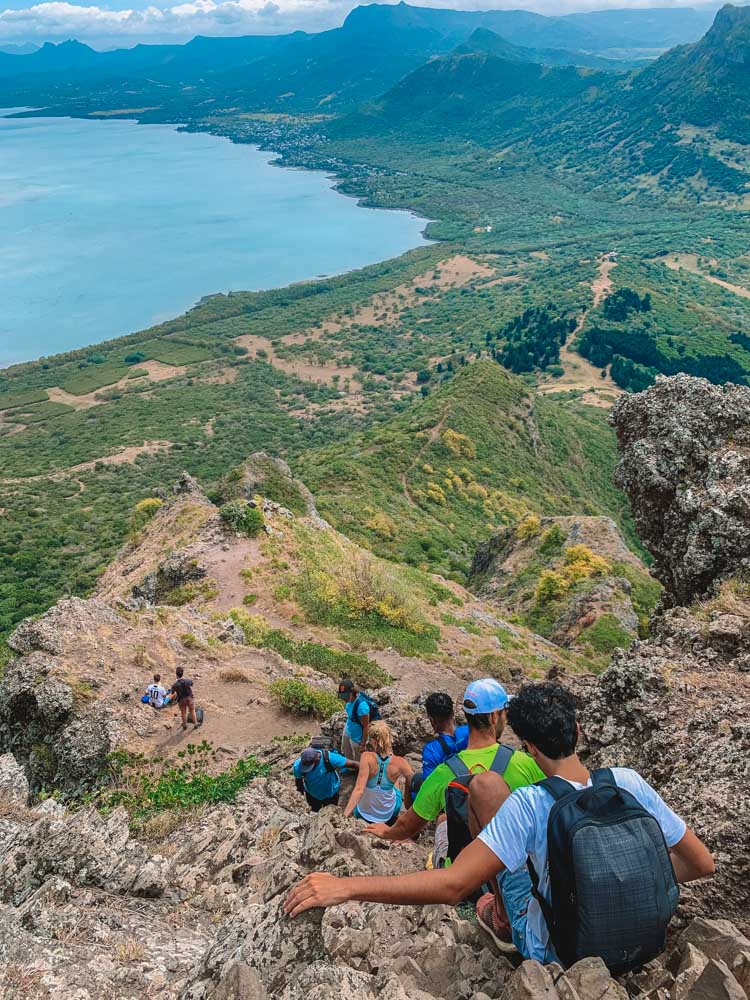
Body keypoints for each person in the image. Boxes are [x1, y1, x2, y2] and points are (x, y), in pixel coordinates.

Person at [284, 682, 715, 971]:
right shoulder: (629, 782)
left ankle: (505, 922)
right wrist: (619, 881)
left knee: (486, 788)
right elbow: (702, 863)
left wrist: (347, 886)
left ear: (526, 743)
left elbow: (451, 885)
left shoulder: (530, 804)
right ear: (579, 731)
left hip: (559, 950)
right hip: (644, 937)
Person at [363, 678, 543, 875]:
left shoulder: (444, 773)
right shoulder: (525, 763)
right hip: (514, 870)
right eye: (504, 713)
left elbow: (409, 825)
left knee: (443, 819)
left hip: (464, 875)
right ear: (494, 717)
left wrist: (387, 832)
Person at [344, 721, 413, 826]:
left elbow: (359, 789)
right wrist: (407, 798)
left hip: (363, 814)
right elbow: (413, 780)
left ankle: (385, 769)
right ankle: (389, 762)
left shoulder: (366, 757)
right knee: (395, 780)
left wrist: (345, 816)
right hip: (389, 814)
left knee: (365, 782)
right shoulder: (401, 762)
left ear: (372, 740)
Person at [411, 691, 469, 798]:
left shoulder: (431, 750)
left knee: (416, 780)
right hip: (474, 789)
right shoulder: (469, 732)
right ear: (452, 713)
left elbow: (430, 786)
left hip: (450, 800)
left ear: (432, 720)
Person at [293, 745, 358, 813]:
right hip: (312, 796)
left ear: (317, 759)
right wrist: (300, 796)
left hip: (331, 794)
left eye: (310, 766)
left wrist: (366, 773)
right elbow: (299, 782)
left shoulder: (330, 758)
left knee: (331, 813)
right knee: (315, 813)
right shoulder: (298, 766)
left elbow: (353, 764)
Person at [338, 679, 371, 761]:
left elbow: (366, 726)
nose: (344, 699)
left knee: (357, 755)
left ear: (352, 693)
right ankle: (349, 767)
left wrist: (363, 744)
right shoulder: (349, 701)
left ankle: (357, 770)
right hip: (349, 727)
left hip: (358, 736)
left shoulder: (362, 707)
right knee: (346, 748)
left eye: (345, 696)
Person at [170, 665, 198, 730]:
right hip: (189, 698)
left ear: (176, 675)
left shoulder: (175, 684)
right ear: (182, 673)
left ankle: (185, 725)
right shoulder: (187, 681)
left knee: (183, 712)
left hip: (181, 699)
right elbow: (192, 684)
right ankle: (195, 724)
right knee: (192, 710)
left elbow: (172, 693)